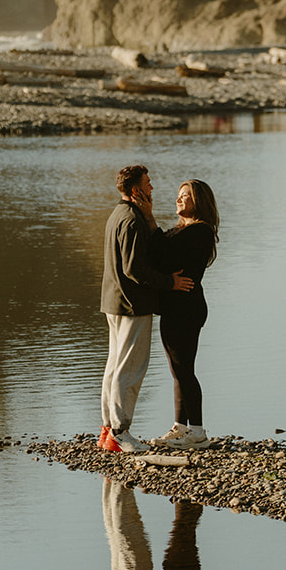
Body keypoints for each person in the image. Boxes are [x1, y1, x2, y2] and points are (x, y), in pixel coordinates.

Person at [99, 164, 193, 455]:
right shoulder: (131, 220)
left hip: (115, 302)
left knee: (115, 366)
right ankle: (120, 432)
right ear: (136, 189)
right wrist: (170, 283)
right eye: (148, 183)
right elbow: (134, 269)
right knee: (129, 369)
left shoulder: (119, 214)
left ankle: (107, 431)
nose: (153, 188)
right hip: (132, 304)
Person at [151, 179, 219, 449]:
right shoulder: (181, 230)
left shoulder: (200, 231)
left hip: (187, 308)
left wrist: (147, 215)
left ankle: (198, 431)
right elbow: (159, 249)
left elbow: (159, 250)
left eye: (186, 196)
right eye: (178, 195)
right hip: (175, 306)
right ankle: (180, 426)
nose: (179, 199)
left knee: (184, 369)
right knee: (177, 369)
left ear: (199, 201)